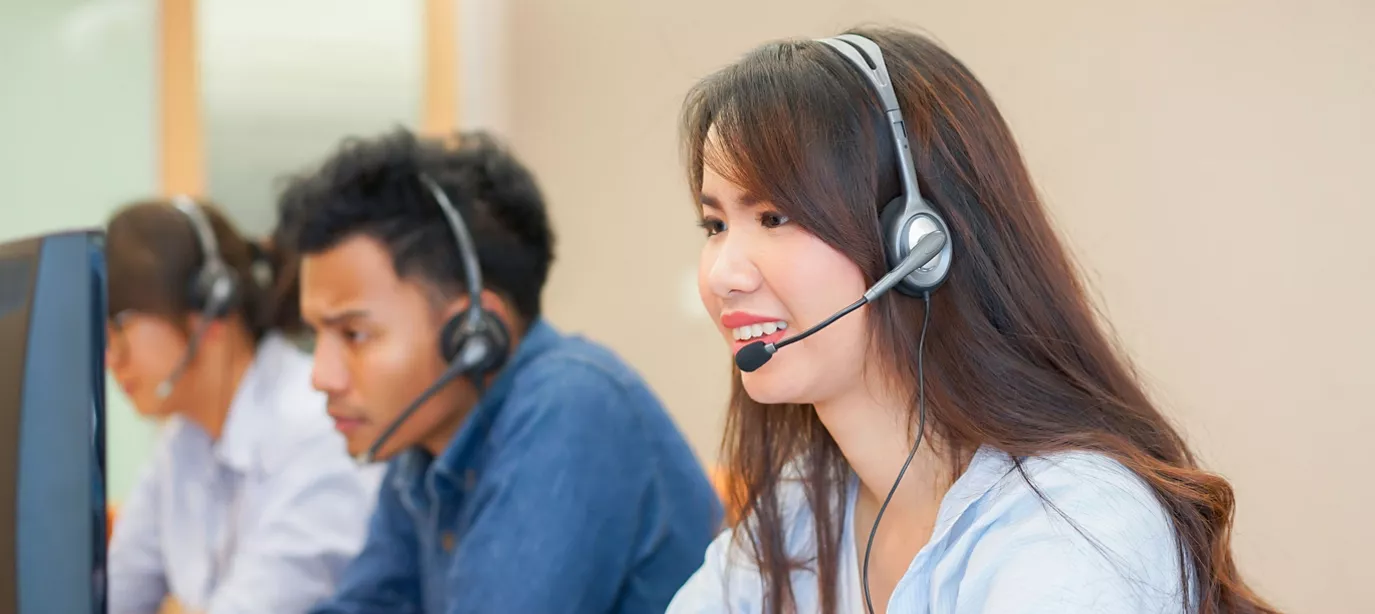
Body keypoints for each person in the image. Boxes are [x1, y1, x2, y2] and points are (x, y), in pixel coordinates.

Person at [665, 27, 1280, 614]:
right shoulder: (806, 506)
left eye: (774, 217)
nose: (723, 274)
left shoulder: (1072, 522)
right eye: (715, 225)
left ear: (917, 246)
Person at [275, 128, 724, 614]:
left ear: (475, 332)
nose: (321, 375)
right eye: (315, 335)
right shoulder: (424, 440)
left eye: (354, 335)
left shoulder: (571, 409)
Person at [104, 196, 380, 614]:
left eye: (120, 328)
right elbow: (110, 599)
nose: (111, 358)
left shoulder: (317, 428)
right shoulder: (182, 442)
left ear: (210, 310)